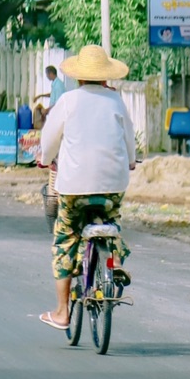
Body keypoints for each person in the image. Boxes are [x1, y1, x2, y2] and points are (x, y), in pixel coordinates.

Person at [35, 45, 136, 330]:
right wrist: (130, 161)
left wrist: (45, 160)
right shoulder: (116, 102)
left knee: (65, 238)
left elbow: (49, 141)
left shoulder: (68, 101)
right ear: (106, 78)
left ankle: (63, 312)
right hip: (113, 187)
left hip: (73, 188)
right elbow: (130, 140)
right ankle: (114, 261)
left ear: (78, 77)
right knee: (112, 220)